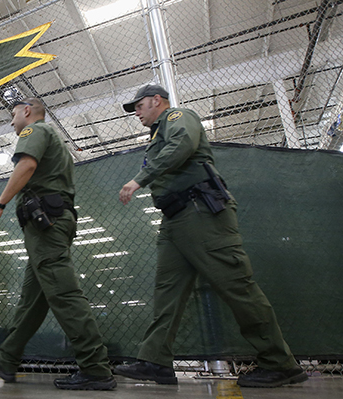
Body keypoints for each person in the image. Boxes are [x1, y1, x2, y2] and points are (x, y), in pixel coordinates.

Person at [116, 84, 308, 388]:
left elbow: (183, 144)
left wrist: (140, 179)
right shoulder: (156, 134)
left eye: (139, 106)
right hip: (175, 219)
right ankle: (155, 361)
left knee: (236, 285)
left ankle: (279, 363)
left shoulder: (178, 117)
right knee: (167, 292)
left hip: (199, 212)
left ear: (157, 101)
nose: (136, 112)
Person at [0, 98, 116, 391]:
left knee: (65, 294)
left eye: (14, 114)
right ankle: (8, 357)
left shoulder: (35, 132)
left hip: (47, 226)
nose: (12, 120)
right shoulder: (52, 137)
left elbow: (27, 165)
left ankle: (95, 367)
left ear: (27, 111)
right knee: (32, 300)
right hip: (50, 225)